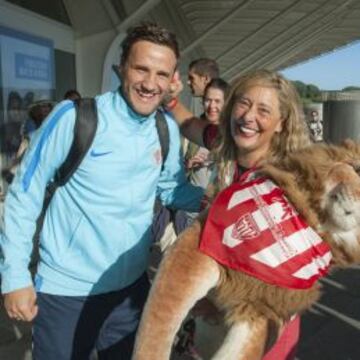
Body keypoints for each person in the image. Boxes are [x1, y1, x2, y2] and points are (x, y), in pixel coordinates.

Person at [0, 22, 203, 360]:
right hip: (67, 292)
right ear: (121, 67)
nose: (150, 83)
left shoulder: (164, 127)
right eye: (141, 69)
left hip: (130, 291)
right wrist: (15, 277)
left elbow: (171, 191)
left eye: (161, 74)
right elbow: (25, 193)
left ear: (172, 80)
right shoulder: (75, 118)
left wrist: (222, 200)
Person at [168, 69, 311, 359]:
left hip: (262, 329)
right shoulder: (226, 147)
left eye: (263, 110)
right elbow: (189, 124)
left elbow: (285, 279)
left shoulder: (289, 182)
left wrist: (220, 304)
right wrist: (170, 99)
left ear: (281, 123)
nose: (248, 117)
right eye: (243, 103)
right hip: (215, 323)